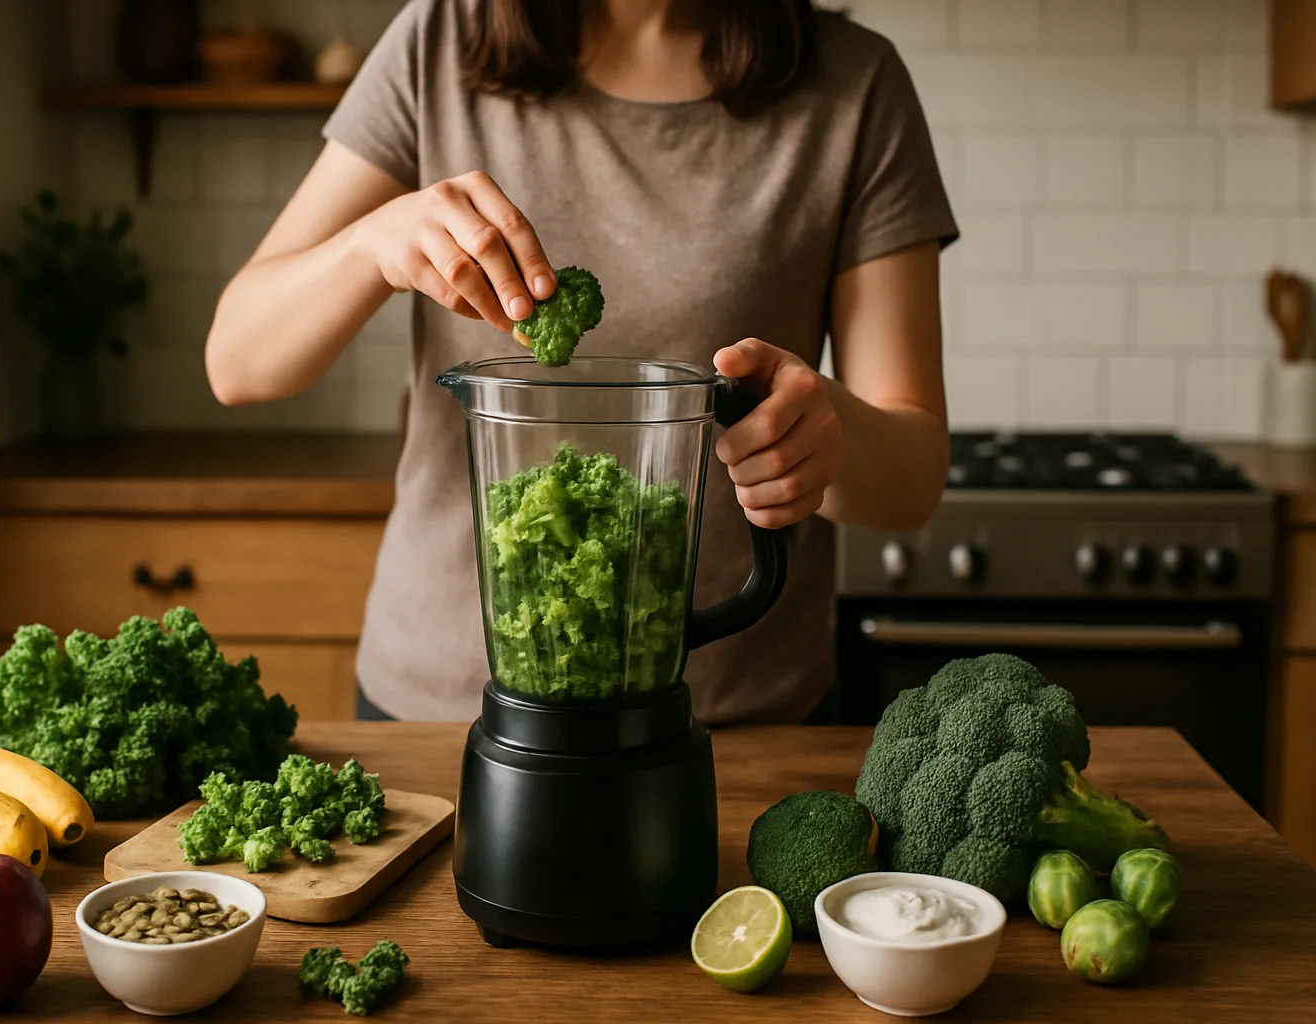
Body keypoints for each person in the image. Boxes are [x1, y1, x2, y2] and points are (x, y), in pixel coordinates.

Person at [205, 0, 957, 723]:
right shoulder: (437, 39)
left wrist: (825, 437)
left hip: (739, 717)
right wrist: (370, 243)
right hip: (438, 711)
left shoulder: (856, 84)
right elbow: (238, 362)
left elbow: (913, 479)